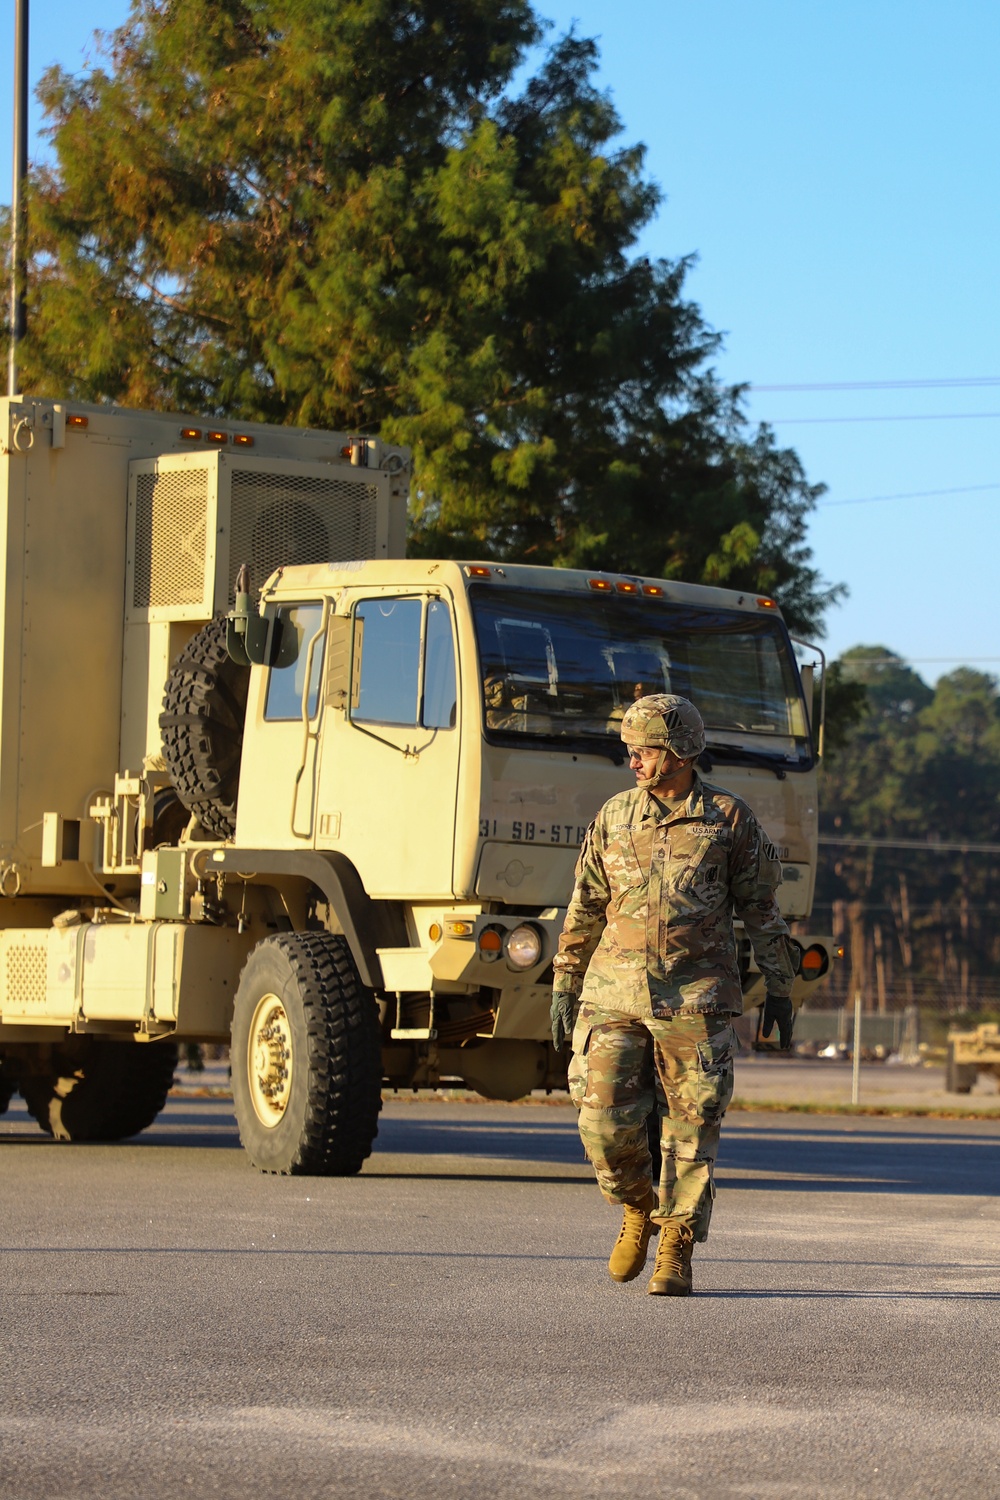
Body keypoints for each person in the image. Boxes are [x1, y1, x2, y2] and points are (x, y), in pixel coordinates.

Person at [550, 693, 795, 1296]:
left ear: (680, 749)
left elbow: (762, 910)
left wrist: (781, 988)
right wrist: (565, 978)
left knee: (693, 1128)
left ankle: (677, 1244)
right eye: (629, 748)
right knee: (602, 1123)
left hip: (696, 998)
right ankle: (638, 1206)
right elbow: (585, 904)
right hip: (614, 994)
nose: (632, 759)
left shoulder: (728, 820)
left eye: (644, 748)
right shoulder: (612, 816)